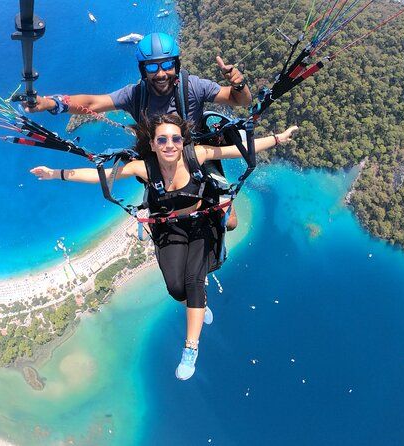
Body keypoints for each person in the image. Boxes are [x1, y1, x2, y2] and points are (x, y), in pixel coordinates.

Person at [30, 114, 298, 380]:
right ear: (154, 144)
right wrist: (55, 173)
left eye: (175, 138)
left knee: (194, 280)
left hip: (203, 222)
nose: (170, 144)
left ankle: (190, 348)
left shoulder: (197, 155)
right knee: (175, 287)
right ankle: (199, 305)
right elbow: (101, 175)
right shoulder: (144, 168)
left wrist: (278, 138)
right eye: (162, 139)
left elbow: (236, 150)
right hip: (169, 228)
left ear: (182, 142)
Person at [24, 32, 251, 229]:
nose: (161, 74)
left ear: (176, 65)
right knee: (170, 217)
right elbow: (92, 103)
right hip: (159, 160)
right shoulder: (135, 95)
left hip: (197, 155)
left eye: (167, 65)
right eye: (153, 67)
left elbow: (239, 100)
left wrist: (238, 84)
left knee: (230, 223)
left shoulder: (193, 87)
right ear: (143, 70)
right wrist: (51, 103)